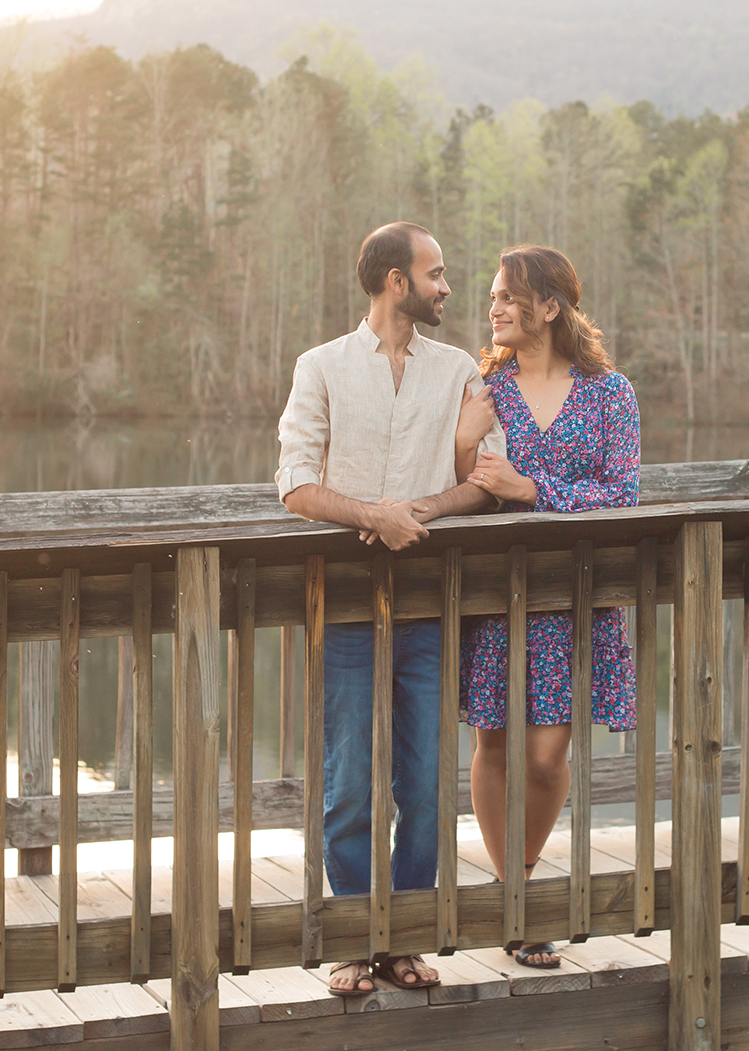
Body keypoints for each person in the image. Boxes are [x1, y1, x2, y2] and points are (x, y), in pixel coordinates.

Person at [275, 221, 505, 998]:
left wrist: (425, 508)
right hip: (343, 608)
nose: (448, 287)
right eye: (436, 274)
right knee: (347, 784)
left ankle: (402, 942)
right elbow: (296, 485)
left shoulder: (459, 373)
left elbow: (490, 477)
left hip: (429, 609)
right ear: (394, 282)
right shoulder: (323, 367)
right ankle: (349, 944)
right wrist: (373, 514)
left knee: (425, 784)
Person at [453, 244, 640, 968]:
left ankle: (517, 883)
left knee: (546, 752)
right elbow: (450, 479)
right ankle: (518, 899)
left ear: (551, 308)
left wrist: (534, 492)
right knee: (495, 741)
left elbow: (622, 495)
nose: (494, 308)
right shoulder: (481, 388)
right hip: (495, 594)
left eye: (508, 297)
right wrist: (464, 443)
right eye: (493, 296)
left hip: (574, 598)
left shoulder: (608, 393)